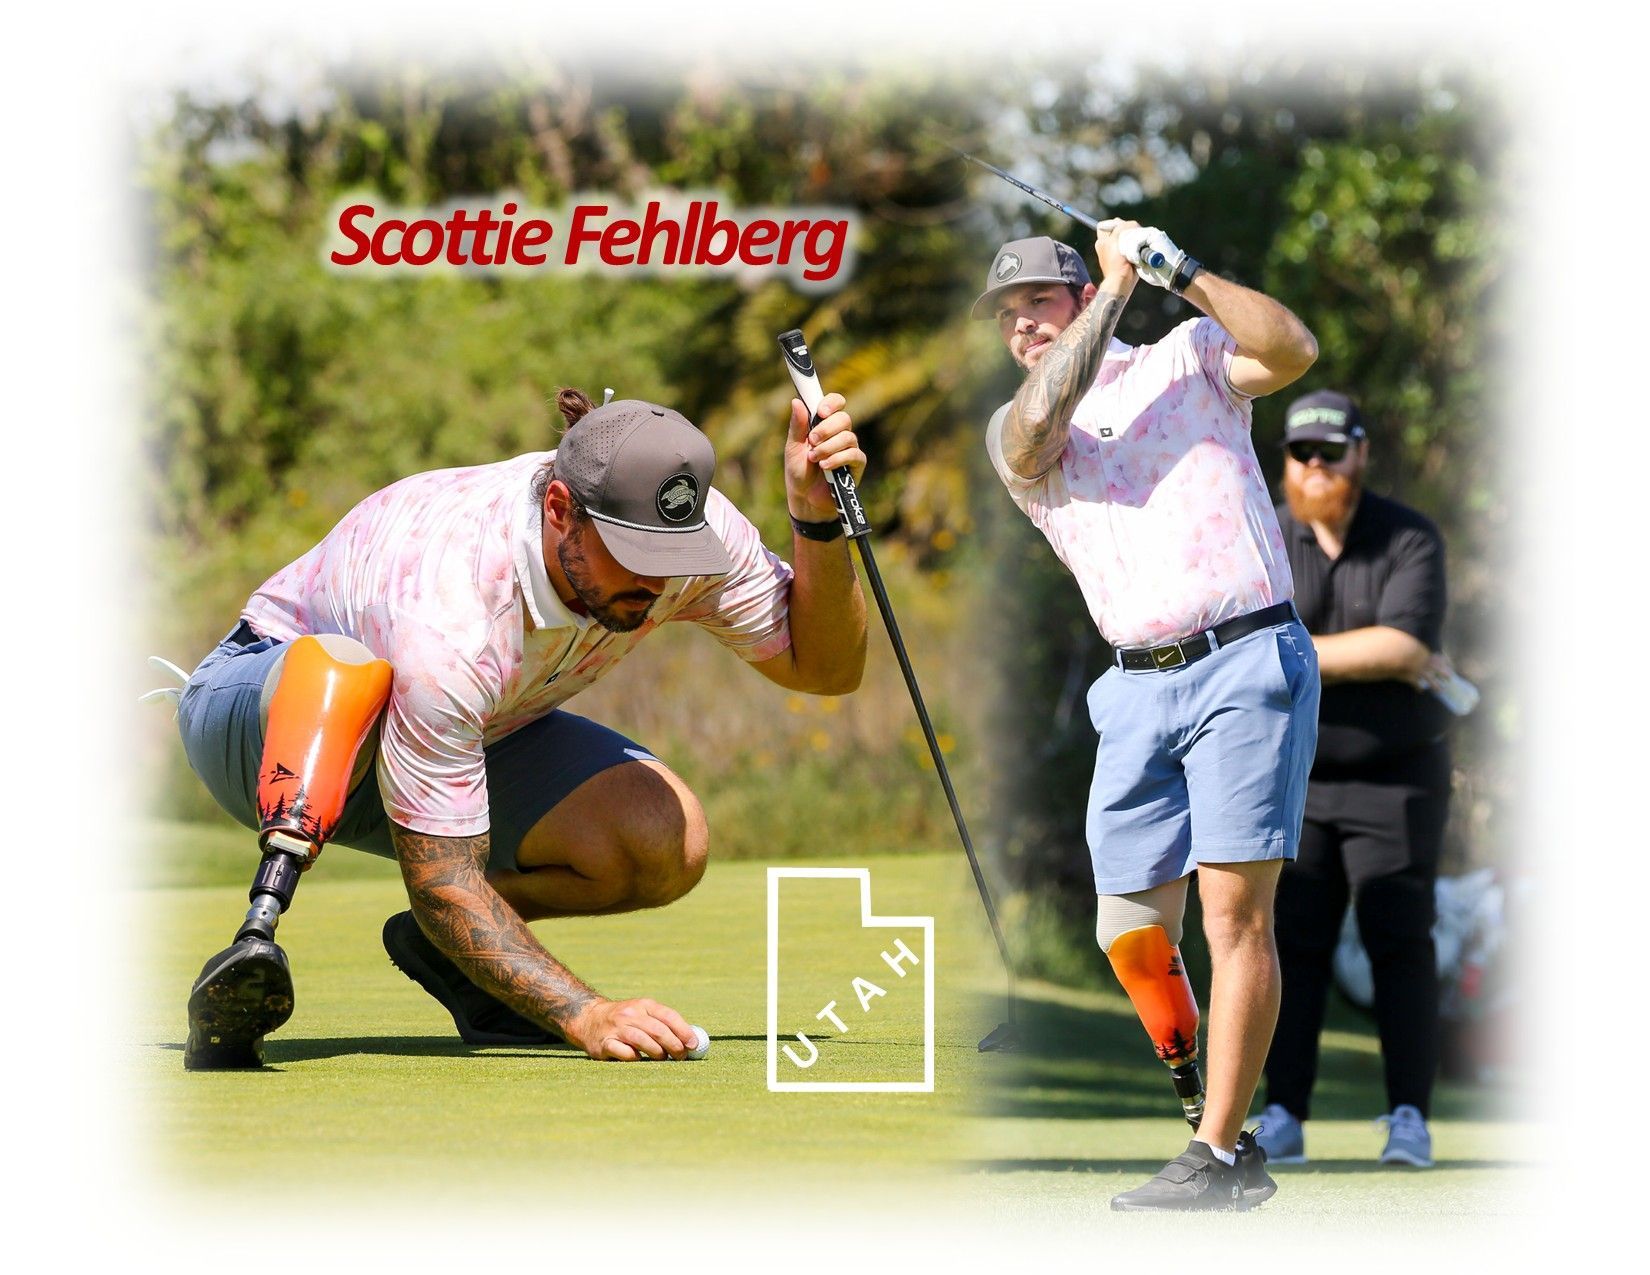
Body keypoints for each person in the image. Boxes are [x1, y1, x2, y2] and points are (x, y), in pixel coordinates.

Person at [173, 387, 867, 1069]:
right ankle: (256, 936)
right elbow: (442, 877)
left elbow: (826, 668)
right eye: (633, 553)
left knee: (662, 836)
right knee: (346, 671)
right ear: (560, 509)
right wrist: (586, 1013)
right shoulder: (450, 611)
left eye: (672, 556)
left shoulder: (678, 527)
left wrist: (816, 521)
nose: (657, 581)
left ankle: (445, 954)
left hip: (466, 731)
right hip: (260, 716)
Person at [974, 228, 1320, 1211]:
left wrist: (1179, 273)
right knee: (1127, 926)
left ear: (1079, 294)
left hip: (1245, 659)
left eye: (1038, 301)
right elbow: (1040, 434)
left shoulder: (1190, 356)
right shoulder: (1018, 428)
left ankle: (1214, 1157)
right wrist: (1117, 286)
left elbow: (1293, 350)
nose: (1020, 325)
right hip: (1132, 691)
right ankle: (1223, 1133)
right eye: (1007, 314)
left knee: (1233, 916)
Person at [1251, 389, 1455, 1168]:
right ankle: (1284, 1114)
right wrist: (1356, 651)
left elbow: (1405, 649)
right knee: (1289, 946)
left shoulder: (1409, 538)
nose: (1313, 466)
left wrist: (1286, 646)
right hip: (1292, 778)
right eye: (1301, 452)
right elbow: (1235, 641)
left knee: (1398, 940)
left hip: (1395, 780)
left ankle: (1409, 1115)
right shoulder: (1263, 528)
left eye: (1330, 453)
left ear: (1360, 454)